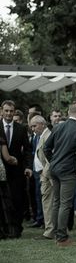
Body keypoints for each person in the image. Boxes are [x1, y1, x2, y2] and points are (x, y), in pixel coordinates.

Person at [44, 101, 76, 247]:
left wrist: (53, 161)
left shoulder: (59, 126)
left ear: (68, 113)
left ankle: (57, 233)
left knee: (56, 202)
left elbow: (46, 148)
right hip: (67, 170)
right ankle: (62, 238)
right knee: (65, 204)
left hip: (54, 169)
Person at [2, 100, 32, 238]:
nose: (8, 114)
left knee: (17, 200)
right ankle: (3, 230)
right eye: (6, 110)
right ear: (2, 110)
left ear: (14, 112)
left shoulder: (21, 129)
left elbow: (27, 150)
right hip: (0, 169)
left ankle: (16, 229)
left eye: (11, 111)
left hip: (17, 170)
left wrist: (27, 167)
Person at [32, 116, 54, 239]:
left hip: (47, 176)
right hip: (45, 175)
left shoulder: (47, 136)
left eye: (34, 126)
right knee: (48, 202)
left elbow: (51, 159)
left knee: (48, 203)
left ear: (42, 124)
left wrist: (44, 175)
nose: (32, 129)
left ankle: (50, 231)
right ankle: (50, 229)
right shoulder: (42, 136)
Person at [0, 128, 18, 239]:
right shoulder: (1, 140)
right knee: (3, 201)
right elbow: (7, 158)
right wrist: (15, 160)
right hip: (0, 172)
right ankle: (6, 229)